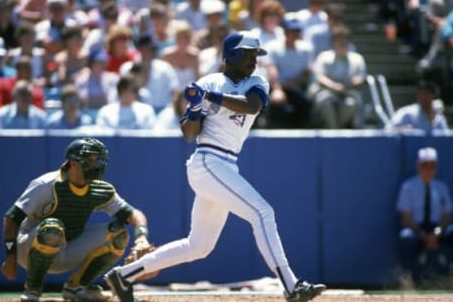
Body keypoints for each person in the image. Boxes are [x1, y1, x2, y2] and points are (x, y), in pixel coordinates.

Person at [105, 31, 326, 302]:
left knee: (198, 246)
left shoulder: (256, 81)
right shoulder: (209, 81)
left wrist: (210, 97)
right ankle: (292, 286)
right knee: (262, 213)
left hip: (225, 164)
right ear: (231, 54)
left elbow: (252, 106)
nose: (254, 59)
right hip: (207, 161)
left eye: (255, 54)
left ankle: (124, 275)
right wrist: (196, 106)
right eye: (248, 54)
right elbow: (189, 134)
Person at [1, 137, 152, 302]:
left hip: (67, 248)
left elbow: (133, 214)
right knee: (53, 228)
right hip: (29, 248)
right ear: (73, 163)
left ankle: (77, 287)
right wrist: (10, 258)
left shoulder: (100, 189)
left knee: (118, 233)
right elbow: (12, 218)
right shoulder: (46, 184)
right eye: (91, 159)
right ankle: (33, 288)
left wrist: (141, 237)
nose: (97, 164)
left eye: (98, 159)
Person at [396, 147, 453, 285]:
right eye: (425, 165)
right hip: (417, 230)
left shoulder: (441, 186)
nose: (428, 170)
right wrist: (423, 235)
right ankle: (409, 279)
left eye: (432, 166)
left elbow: (447, 216)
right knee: (406, 237)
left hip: (438, 230)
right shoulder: (408, 187)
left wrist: (437, 233)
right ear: (418, 166)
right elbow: (405, 218)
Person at [311, 24, 366, 129]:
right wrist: (334, 86)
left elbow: (360, 77)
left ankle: (336, 129)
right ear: (333, 42)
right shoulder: (323, 56)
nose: (341, 44)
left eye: (344, 41)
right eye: (338, 41)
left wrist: (355, 82)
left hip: (349, 93)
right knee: (325, 100)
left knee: (351, 103)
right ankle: (334, 129)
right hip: (327, 92)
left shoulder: (357, 59)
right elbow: (320, 77)